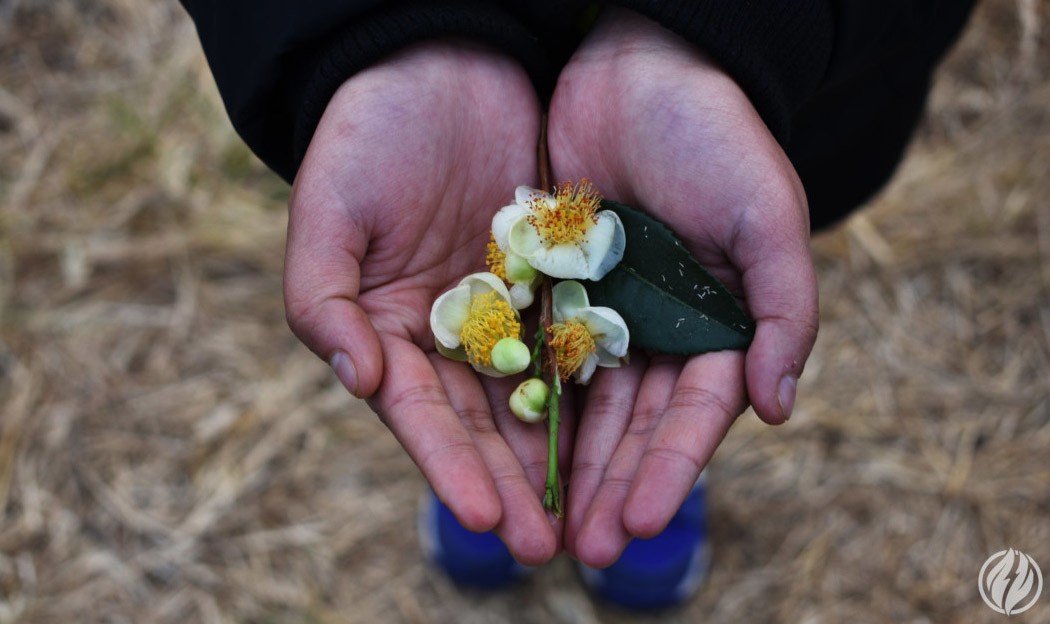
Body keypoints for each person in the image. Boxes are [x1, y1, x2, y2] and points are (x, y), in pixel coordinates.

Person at [178, 0, 979, 609]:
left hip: (788, 77)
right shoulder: (510, 267)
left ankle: (644, 462)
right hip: (455, 76)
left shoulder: (571, 263)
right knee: (464, 379)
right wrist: (376, 29)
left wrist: (736, 27)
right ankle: (509, 443)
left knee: (698, 315)